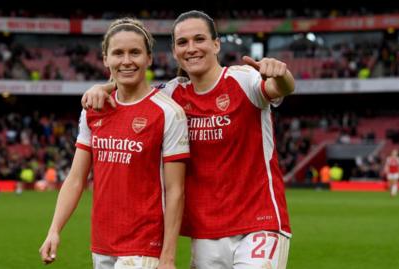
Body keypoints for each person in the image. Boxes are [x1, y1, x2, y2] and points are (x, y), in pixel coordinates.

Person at [82, 10, 294, 269]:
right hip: (205, 233)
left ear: (216, 44)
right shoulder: (172, 94)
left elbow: (278, 88)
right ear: (174, 51)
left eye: (200, 39)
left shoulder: (243, 79)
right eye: (183, 42)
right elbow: (134, 88)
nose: (191, 48)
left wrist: (281, 74)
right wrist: (102, 87)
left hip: (259, 224)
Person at [39, 18, 190, 269]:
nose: (127, 60)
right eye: (118, 53)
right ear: (105, 59)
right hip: (102, 243)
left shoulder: (168, 112)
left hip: (144, 245)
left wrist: (168, 256)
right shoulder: (93, 110)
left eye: (135, 52)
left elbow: (175, 190)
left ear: (149, 58)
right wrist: (54, 229)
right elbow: (76, 179)